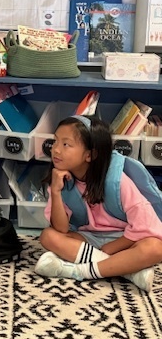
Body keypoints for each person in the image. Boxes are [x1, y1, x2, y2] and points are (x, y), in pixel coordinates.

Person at [35, 115, 162, 292]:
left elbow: (144, 226)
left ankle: (78, 270)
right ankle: (127, 271)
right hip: (89, 237)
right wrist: (55, 192)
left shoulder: (117, 181)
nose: (55, 150)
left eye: (66, 144)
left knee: (156, 248)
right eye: (55, 141)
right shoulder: (61, 178)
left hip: (124, 239)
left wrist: (111, 248)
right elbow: (61, 229)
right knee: (48, 236)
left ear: (90, 154)